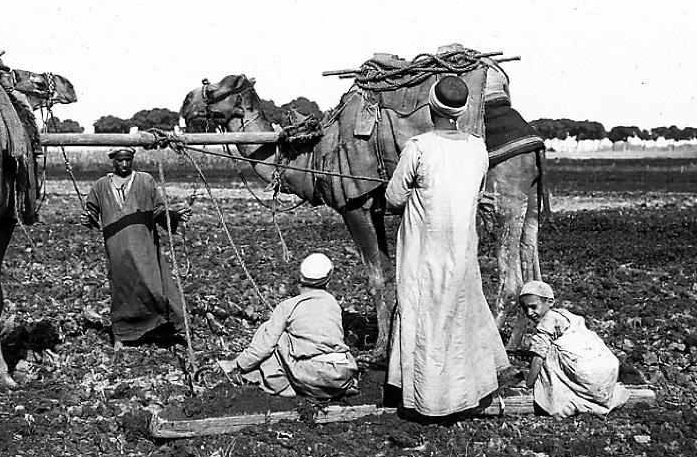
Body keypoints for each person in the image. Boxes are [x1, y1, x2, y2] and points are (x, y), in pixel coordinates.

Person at [384, 76, 510, 418]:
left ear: (430, 105)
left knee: (424, 316)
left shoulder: (418, 147)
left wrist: (411, 192)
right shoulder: (477, 148)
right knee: (457, 317)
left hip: (424, 253)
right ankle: (465, 392)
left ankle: (427, 400)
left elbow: (394, 198)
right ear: (462, 110)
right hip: (462, 252)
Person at [81, 147, 191, 349]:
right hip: (117, 248)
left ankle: (173, 328)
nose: (124, 164)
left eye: (128, 160)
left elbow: (158, 210)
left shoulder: (145, 181)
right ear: (112, 161)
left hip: (144, 246)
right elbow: (91, 212)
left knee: (156, 287)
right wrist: (87, 218)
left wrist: (174, 215)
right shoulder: (101, 185)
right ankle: (122, 335)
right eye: (120, 160)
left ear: (132, 160)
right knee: (123, 290)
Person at [217, 253, 359, 399]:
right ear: (328, 279)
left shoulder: (288, 306)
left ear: (300, 278)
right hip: (342, 375)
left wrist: (235, 364)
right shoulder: (333, 304)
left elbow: (263, 349)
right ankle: (342, 389)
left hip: (311, 379)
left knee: (272, 334)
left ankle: (285, 388)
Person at [519, 280, 630, 417]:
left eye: (533, 307)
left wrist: (527, 385)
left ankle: (559, 398)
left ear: (550, 302)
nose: (529, 313)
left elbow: (538, 358)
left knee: (546, 354)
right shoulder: (567, 315)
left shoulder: (549, 319)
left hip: (585, 372)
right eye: (525, 309)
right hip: (607, 370)